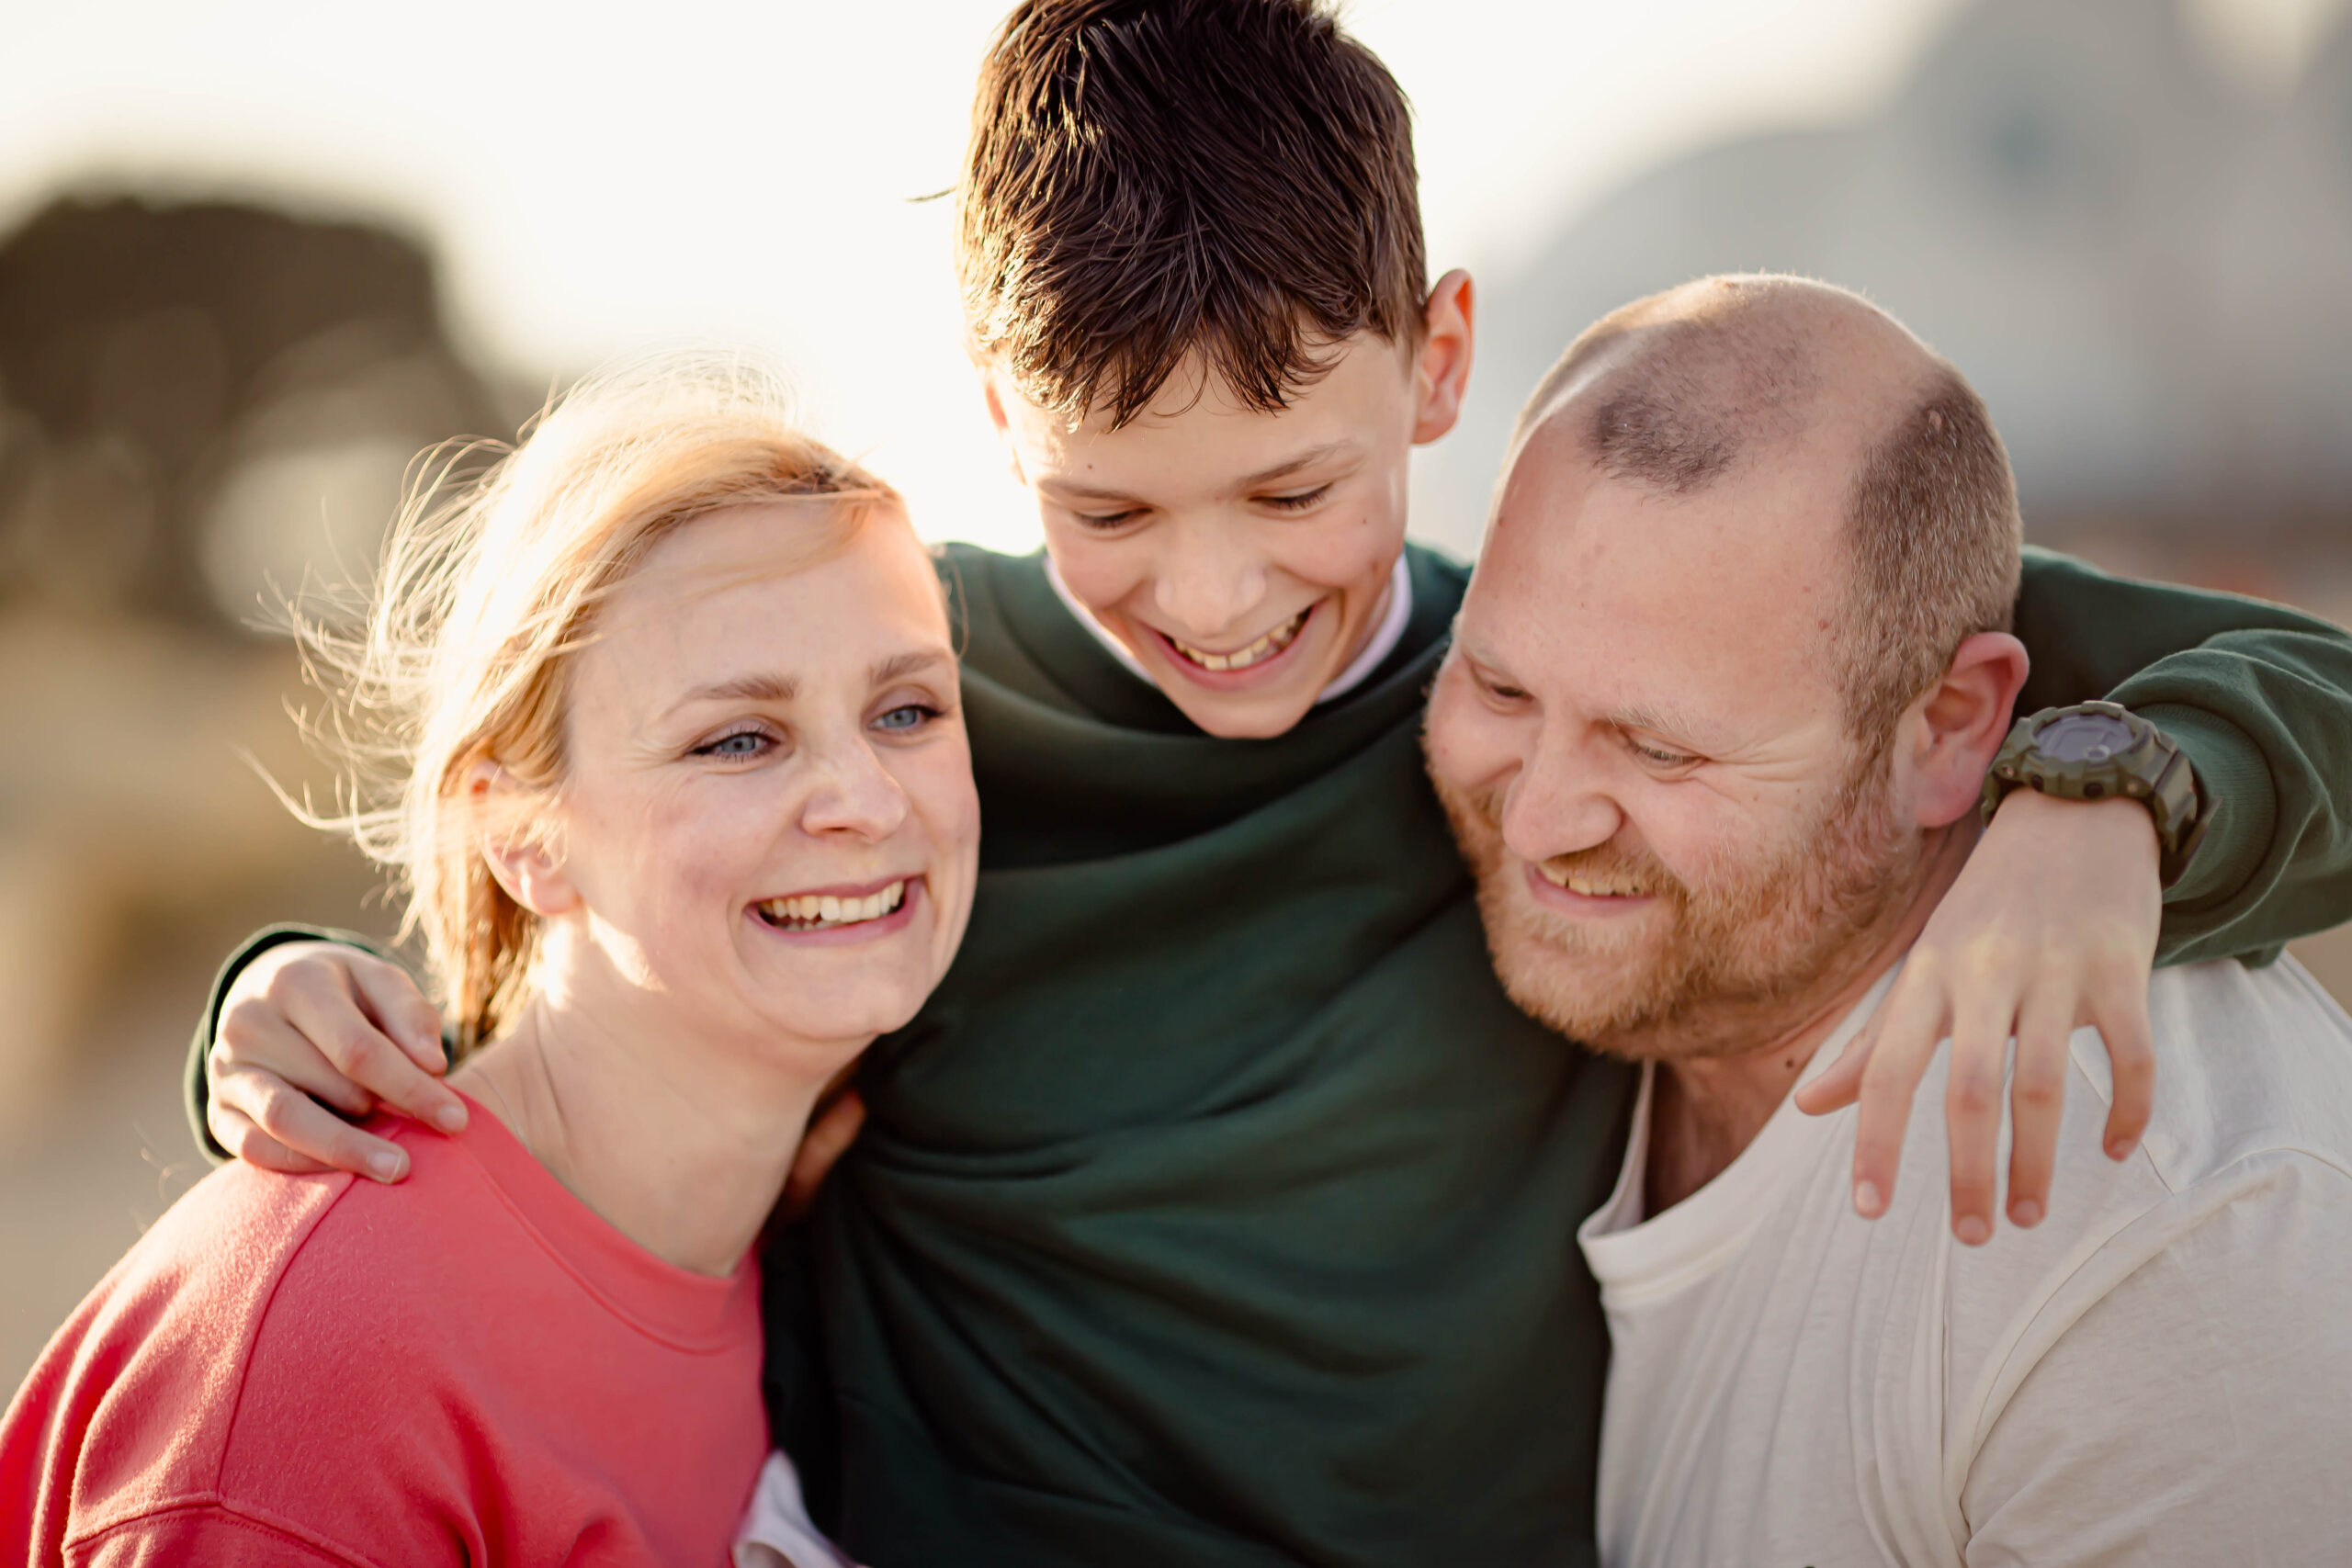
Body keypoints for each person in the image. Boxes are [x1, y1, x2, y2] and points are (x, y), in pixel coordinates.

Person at [178, 5, 2352, 1562]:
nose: (1213, 599)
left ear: (1433, 356)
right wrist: (295, 985)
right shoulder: (907, 713)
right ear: (991, 409)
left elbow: (2286, 680)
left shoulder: (1576, 658)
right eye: (1109, 509)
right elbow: (614, 896)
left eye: (1292, 487)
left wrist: (2103, 792)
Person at [1426, 274, 2352, 1565]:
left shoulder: (2163, 1247)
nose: (1536, 820)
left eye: (1658, 748)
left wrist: (2115, 785)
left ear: (1952, 728)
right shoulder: (1621, 976)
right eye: (1501, 684)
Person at [1, 358, 978, 1565]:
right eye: (738, 737)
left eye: (909, 711)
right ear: (521, 836)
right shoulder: (332, 1357)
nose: (867, 800)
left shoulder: (794, 1254)